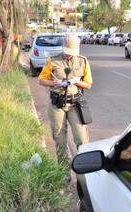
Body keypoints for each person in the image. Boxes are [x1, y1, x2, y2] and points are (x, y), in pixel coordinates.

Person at [38, 33, 93, 167]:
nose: (69, 55)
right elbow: (41, 80)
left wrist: (76, 82)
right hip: (57, 105)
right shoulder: (53, 60)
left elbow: (88, 84)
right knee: (60, 140)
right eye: (67, 52)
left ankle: (84, 168)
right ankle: (63, 171)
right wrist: (55, 83)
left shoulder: (83, 61)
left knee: (82, 139)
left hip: (75, 104)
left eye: (72, 53)